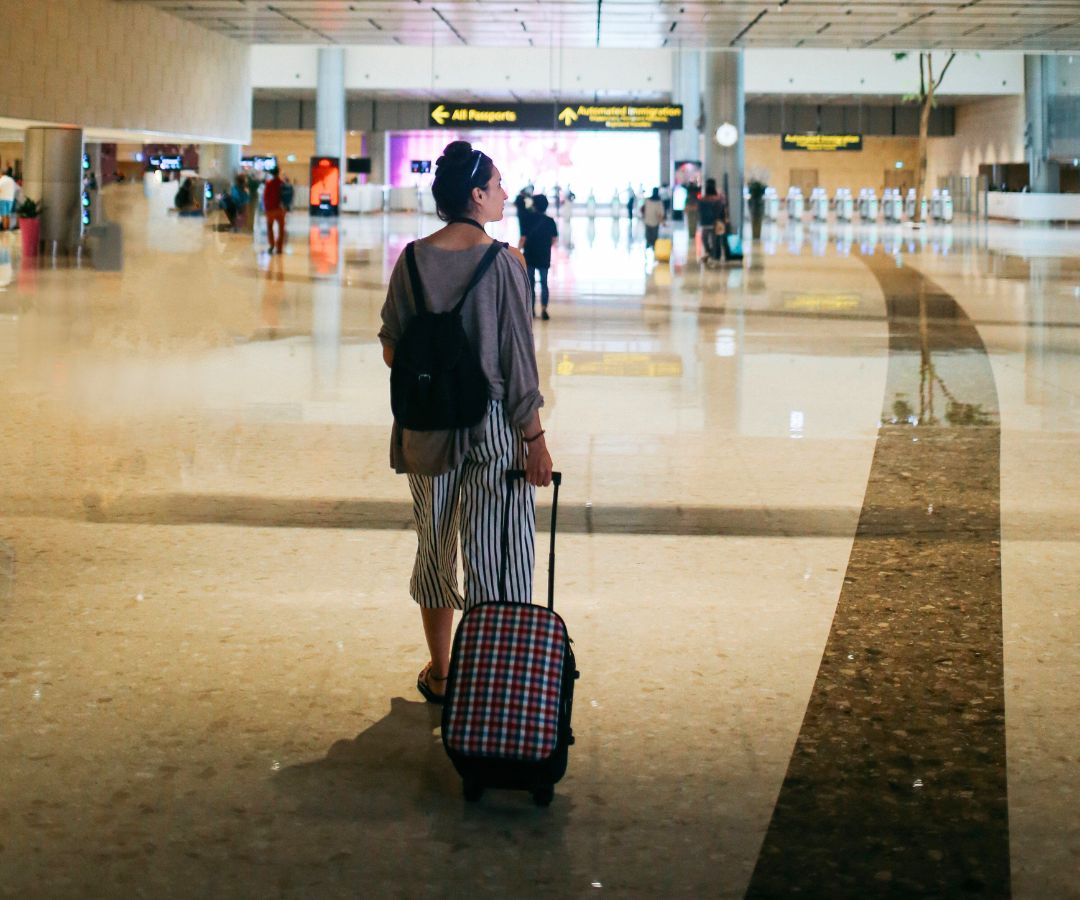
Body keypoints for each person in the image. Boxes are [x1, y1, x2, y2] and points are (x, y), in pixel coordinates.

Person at [378, 140, 554, 704]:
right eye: (498, 184)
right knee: (497, 555)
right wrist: (537, 441)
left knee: (435, 547)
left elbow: (391, 350)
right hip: (495, 431)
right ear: (476, 195)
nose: (505, 192)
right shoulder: (506, 263)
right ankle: (492, 680)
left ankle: (443, 671)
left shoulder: (410, 260)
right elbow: (518, 365)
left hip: (428, 429)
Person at [518, 193, 558, 320]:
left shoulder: (527, 219)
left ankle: (531, 310)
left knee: (530, 284)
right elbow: (554, 239)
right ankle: (544, 309)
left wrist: (517, 251)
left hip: (529, 255)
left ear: (534, 205)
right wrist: (545, 246)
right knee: (544, 283)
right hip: (544, 255)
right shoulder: (550, 221)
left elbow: (523, 238)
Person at [263, 167, 286, 253]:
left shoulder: (269, 184)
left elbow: (265, 197)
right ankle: (279, 247)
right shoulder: (282, 183)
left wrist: (266, 208)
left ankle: (272, 245)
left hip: (270, 210)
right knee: (281, 229)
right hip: (280, 209)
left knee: (269, 227)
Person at [698, 178, 721, 262]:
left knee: (705, 239)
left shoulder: (703, 199)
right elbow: (720, 209)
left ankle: (709, 253)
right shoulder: (718, 198)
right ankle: (713, 255)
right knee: (714, 240)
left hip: (705, 222)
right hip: (714, 222)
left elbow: (700, 210)